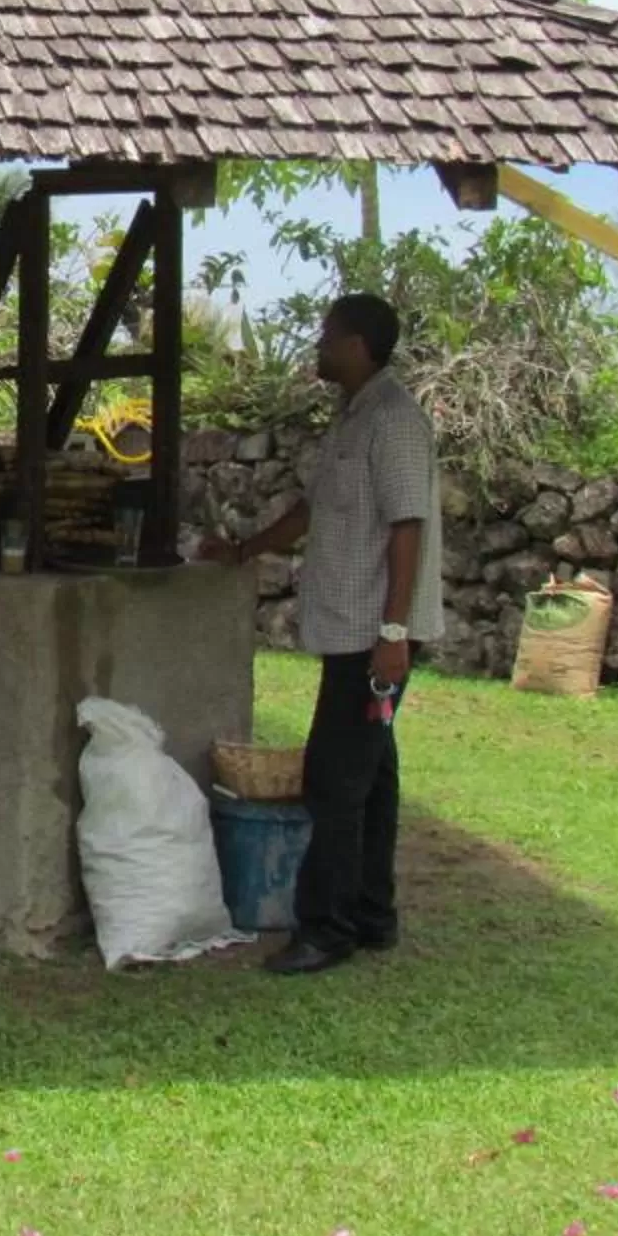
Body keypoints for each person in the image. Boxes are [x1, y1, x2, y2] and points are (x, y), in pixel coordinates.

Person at [195, 293, 441, 976]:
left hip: (372, 634)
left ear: (359, 345)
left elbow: (408, 525)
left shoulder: (392, 421)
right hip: (351, 632)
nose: (318, 344)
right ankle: (371, 914)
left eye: (328, 335)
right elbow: (312, 507)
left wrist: (393, 632)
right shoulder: (352, 416)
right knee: (373, 773)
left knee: (335, 779)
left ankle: (326, 928)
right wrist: (246, 549)